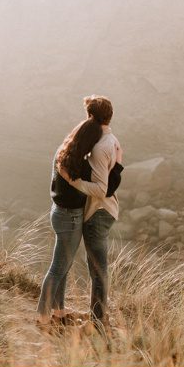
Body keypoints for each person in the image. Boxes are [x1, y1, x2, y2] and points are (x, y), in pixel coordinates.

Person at [38, 94, 124, 329]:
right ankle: (52, 315)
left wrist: (75, 181)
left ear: (90, 118)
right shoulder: (104, 143)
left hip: (82, 212)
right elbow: (107, 186)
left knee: (80, 268)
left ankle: (79, 317)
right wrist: (118, 165)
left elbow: (102, 189)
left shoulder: (79, 149)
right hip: (72, 215)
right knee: (63, 267)